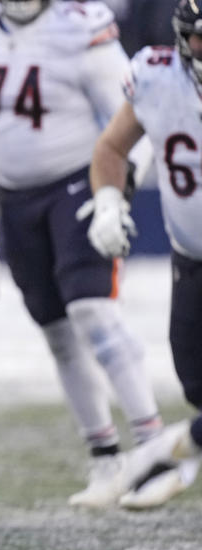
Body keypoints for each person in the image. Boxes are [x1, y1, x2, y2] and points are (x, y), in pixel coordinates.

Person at [0, 0, 166, 508]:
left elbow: (138, 113)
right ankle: (105, 457)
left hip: (79, 183)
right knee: (57, 330)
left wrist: (117, 194)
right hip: (14, 196)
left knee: (94, 311)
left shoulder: (81, 26)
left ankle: (155, 450)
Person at [83, 0, 202, 507]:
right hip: (189, 257)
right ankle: (183, 450)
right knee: (196, 383)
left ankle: (176, 450)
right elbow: (112, 147)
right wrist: (109, 201)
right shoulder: (157, 76)